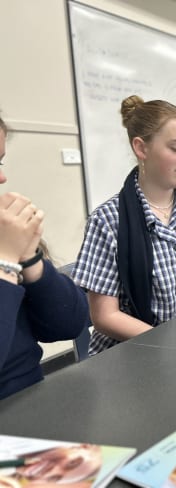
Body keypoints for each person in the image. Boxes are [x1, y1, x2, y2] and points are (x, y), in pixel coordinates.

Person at [72, 96, 176, 356]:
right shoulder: (108, 219)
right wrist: (171, 342)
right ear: (141, 148)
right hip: (132, 355)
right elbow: (105, 316)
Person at [0, 115, 88, 400]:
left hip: (31, 402)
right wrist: (6, 263)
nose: (2, 178)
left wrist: (30, 260)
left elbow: (70, 324)